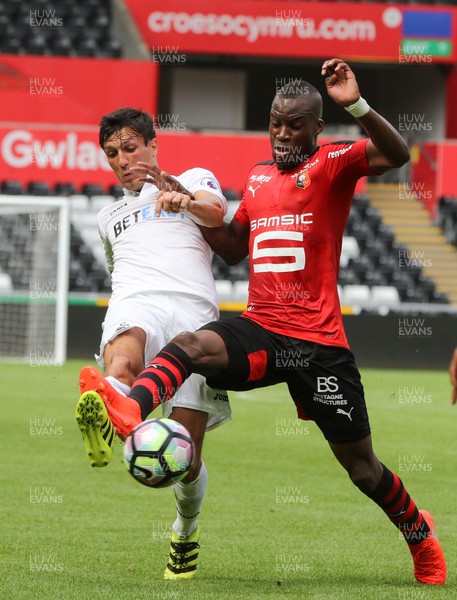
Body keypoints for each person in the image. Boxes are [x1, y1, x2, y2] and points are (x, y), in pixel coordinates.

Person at [81, 60, 446, 585]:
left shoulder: (332, 163)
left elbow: (396, 154)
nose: (281, 133)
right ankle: (127, 405)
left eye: (294, 124)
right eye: (275, 122)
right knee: (190, 346)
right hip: (263, 328)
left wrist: (357, 105)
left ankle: (418, 533)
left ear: (316, 128)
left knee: (362, 469)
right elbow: (231, 249)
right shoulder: (255, 179)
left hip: (319, 344)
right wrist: (186, 207)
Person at [75, 107, 232, 580]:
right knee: (122, 361)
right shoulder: (108, 216)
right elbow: (117, 267)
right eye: (111, 154)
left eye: (129, 148)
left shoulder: (193, 177)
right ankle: (110, 405)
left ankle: (185, 528)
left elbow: (217, 213)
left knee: (186, 459)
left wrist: (177, 194)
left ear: (152, 145)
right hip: (136, 301)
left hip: (193, 319)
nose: (122, 160)